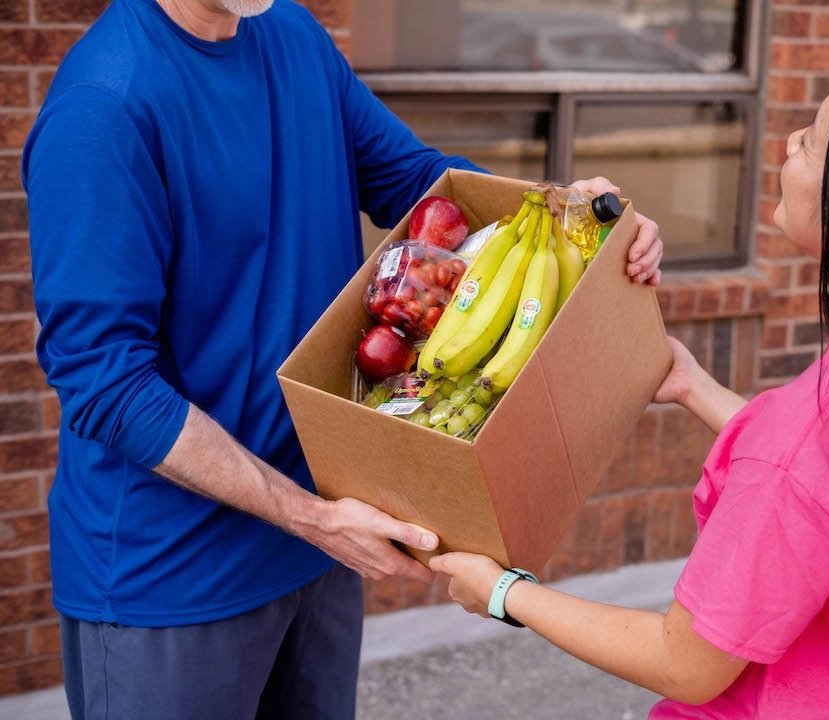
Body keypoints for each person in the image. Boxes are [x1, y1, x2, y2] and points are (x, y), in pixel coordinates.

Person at [21, 0, 663, 718]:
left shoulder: (290, 33)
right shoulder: (104, 108)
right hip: (174, 580)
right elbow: (105, 381)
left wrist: (570, 219)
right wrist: (310, 518)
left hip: (323, 543)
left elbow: (417, 185)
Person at [431, 40, 829, 719]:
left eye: (810, 142)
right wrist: (696, 387)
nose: (788, 143)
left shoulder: (795, 457)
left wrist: (504, 592)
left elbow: (684, 661)